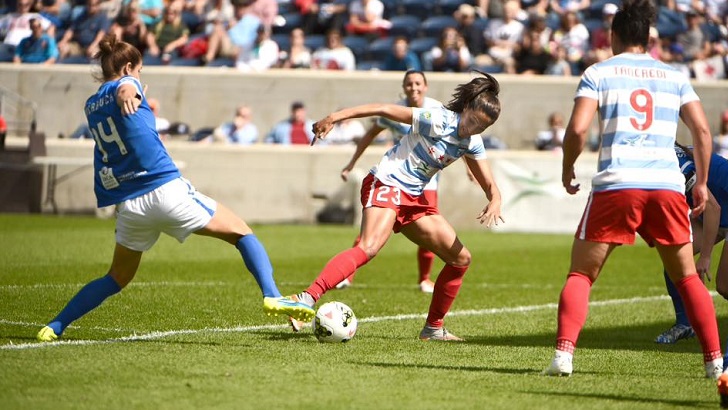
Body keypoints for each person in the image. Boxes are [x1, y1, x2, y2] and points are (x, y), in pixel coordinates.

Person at [35, 33, 314, 343]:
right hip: (164, 189)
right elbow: (127, 88)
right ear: (129, 67)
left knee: (116, 277)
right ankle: (273, 295)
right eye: (139, 70)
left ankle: (55, 325)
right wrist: (131, 87)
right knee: (241, 233)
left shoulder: (91, 104)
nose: (140, 77)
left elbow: (119, 98)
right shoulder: (127, 85)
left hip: (130, 204)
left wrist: (130, 89)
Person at [542, 0, 723, 379]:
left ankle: (563, 357)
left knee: (581, 275)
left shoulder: (598, 72)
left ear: (615, 35)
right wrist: (702, 182)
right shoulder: (674, 76)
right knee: (687, 277)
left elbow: (576, 130)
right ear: (649, 38)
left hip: (617, 184)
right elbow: (702, 132)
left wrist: (568, 166)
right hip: (666, 185)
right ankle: (714, 362)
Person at [288, 70, 505, 341]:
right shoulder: (438, 119)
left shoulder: (471, 141)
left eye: (481, 127)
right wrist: (334, 117)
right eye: (473, 121)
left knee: (460, 259)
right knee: (369, 247)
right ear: (468, 107)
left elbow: (489, 183)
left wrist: (495, 199)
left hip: (413, 199)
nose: (472, 128)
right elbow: (383, 109)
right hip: (386, 183)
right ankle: (305, 299)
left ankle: (433, 329)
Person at [335, 70, 444, 294]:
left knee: (429, 231)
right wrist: (352, 163)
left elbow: (453, 139)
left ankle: (425, 279)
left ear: (426, 86)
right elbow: (369, 134)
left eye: (418, 83)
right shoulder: (395, 111)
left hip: (425, 181)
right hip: (396, 178)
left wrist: (469, 169)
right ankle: (347, 275)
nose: (413, 88)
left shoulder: (436, 110)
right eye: (409, 84)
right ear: (403, 87)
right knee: (371, 229)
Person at [653, 144, 728, 344]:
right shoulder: (669, 154)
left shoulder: (677, 166)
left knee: (726, 287)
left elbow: (713, 208)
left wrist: (705, 256)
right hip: (725, 210)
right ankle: (685, 324)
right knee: (675, 255)